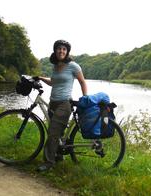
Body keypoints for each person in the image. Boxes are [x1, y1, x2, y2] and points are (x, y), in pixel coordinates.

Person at [35, 40, 87, 172]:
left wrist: (85, 98)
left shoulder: (73, 66)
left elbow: (82, 82)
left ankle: (48, 162)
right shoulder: (55, 66)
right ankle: (58, 156)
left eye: (64, 49)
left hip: (65, 103)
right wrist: (41, 78)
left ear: (67, 51)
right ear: (55, 50)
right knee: (57, 132)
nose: (61, 51)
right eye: (59, 49)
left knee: (53, 132)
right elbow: (53, 82)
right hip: (53, 102)